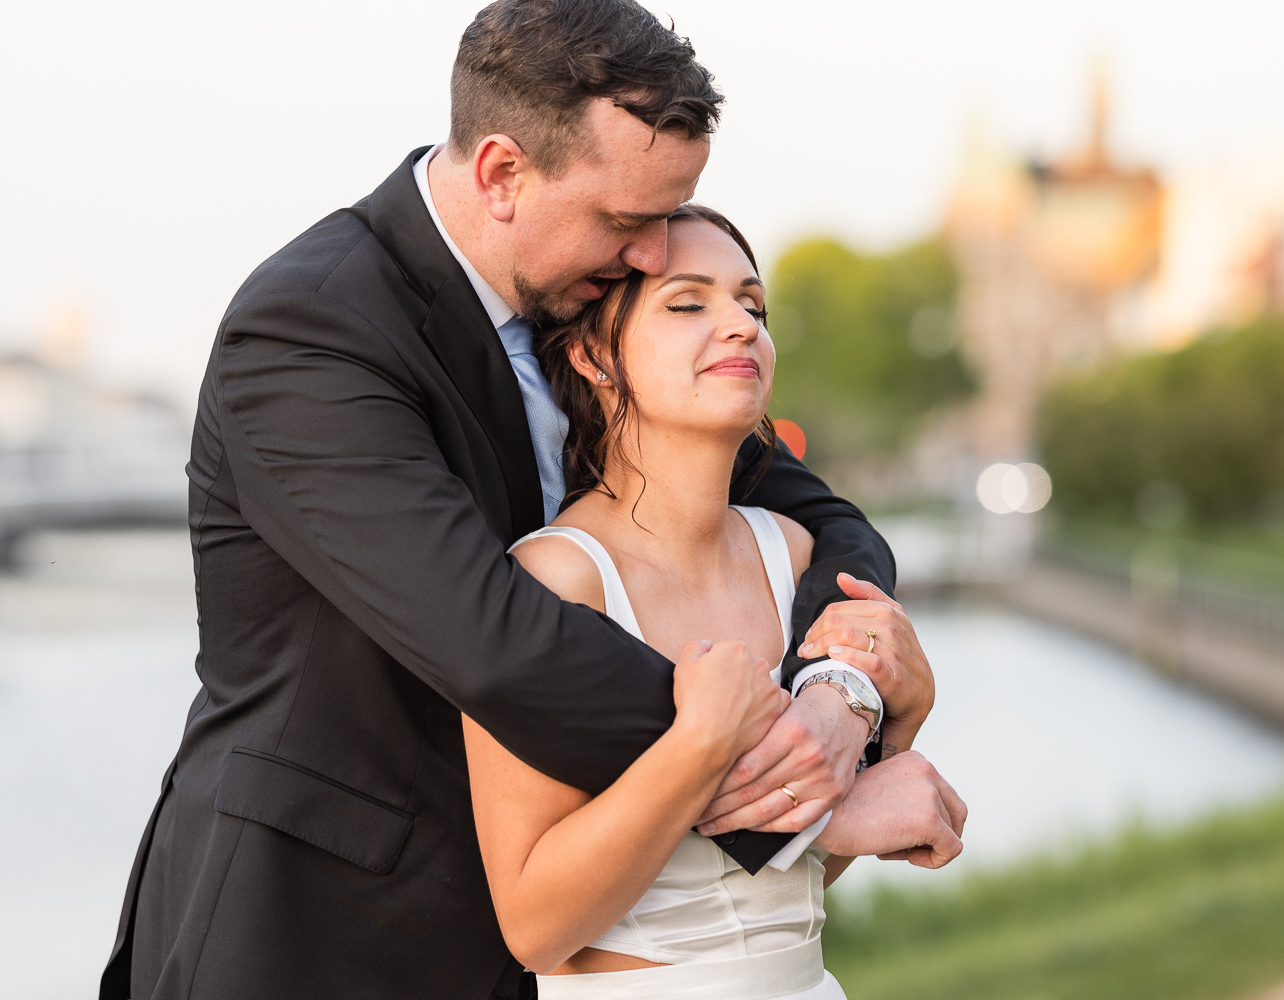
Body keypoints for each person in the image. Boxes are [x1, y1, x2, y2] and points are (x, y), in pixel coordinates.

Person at [102, 3, 944, 999]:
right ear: (503, 173)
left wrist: (840, 693)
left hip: (551, 939)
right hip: (317, 935)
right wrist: (800, 795)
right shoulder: (313, 332)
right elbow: (501, 647)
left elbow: (831, 526)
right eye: (626, 221)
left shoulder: (589, 313)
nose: (648, 256)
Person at [465, 204, 965, 999]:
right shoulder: (557, 581)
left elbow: (787, 890)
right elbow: (535, 929)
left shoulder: (792, 555)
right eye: (688, 302)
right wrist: (700, 744)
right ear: (596, 355)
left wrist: (894, 724)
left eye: (753, 305)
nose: (738, 324)